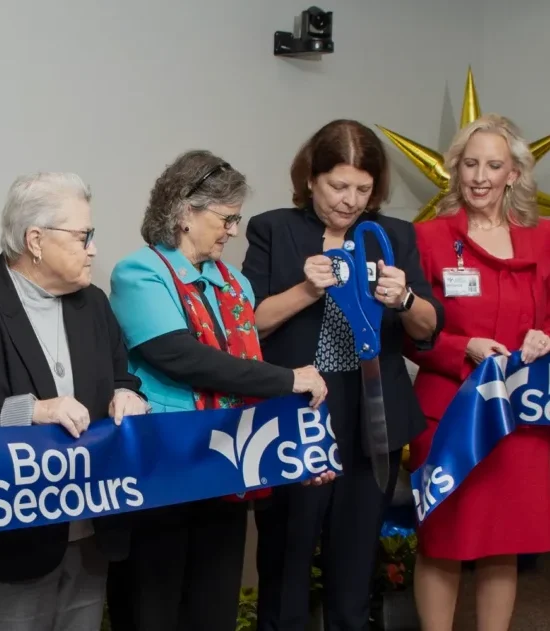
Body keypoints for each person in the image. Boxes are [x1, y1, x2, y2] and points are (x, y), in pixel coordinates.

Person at [105, 149, 331, 631]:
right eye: (227, 219)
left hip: (228, 455)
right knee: (155, 602)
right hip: (165, 461)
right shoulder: (140, 273)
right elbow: (183, 358)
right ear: (187, 211)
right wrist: (289, 378)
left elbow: (242, 365)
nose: (233, 230)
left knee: (215, 599)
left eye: (237, 219)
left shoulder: (233, 283)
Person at [243, 120, 443, 631]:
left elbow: (428, 328)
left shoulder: (393, 235)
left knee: (355, 560)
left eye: (363, 188)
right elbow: (250, 324)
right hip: (301, 411)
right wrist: (306, 290)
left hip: (371, 410)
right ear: (311, 178)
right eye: (338, 185)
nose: (350, 200)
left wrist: (405, 298)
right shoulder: (274, 229)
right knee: (287, 555)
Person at [0, 172, 148, 631]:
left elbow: (122, 374)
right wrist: (33, 410)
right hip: (7, 542)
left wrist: (128, 394)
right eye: (83, 236)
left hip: (90, 532)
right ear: (36, 240)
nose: (93, 249)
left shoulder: (94, 305)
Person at [406, 114, 550, 631]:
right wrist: (460, 347)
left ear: (514, 173)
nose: (481, 176)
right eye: (470, 164)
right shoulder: (426, 239)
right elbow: (406, 331)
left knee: (503, 542)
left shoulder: (545, 238)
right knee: (442, 537)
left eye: (494, 164)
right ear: (455, 170)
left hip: (518, 417)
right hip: (448, 411)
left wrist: (545, 338)